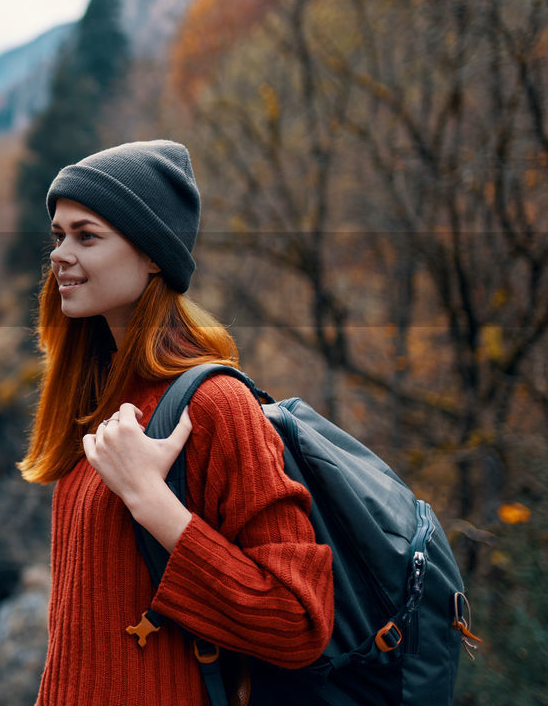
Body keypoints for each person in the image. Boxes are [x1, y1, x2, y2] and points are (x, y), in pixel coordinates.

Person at [17, 140, 334, 705]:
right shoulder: (98, 394)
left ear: (154, 255)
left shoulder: (213, 404)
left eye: (87, 236)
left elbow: (298, 620)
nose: (60, 255)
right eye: (58, 236)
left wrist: (150, 499)